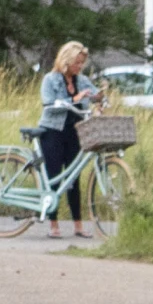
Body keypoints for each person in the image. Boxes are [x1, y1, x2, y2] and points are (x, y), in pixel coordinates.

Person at [36, 40, 98, 236]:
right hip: (52, 131)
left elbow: (94, 94)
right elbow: (49, 103)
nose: (79, 67)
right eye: (77, 63)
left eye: (82, 63)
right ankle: (53, 225)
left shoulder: (82, 80)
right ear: (66, 61)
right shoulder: (50, 79)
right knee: (54, 177)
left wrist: (100, 99)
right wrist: (75, 100)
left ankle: (78, 225)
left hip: (74, 132)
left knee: (73, 178)